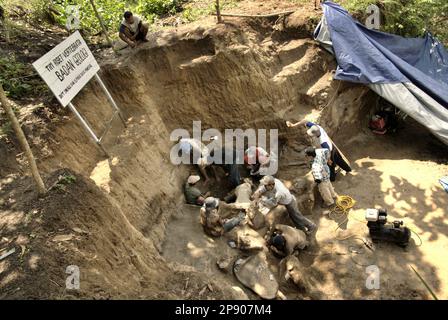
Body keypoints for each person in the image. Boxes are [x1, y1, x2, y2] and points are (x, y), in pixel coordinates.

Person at [286, 119, 351, 181]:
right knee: (339, 159)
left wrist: (329, 160)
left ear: (315, 135)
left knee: (330, 166)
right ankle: (347, 169)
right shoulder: (316, 127)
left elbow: (327, 151)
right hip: (331, 146)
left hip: (329, 151)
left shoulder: (323, 142)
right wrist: (293, 125)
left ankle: (332, 178)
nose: (310, 137)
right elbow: (304, 121)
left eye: (311, 136)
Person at [251, 176, 316, 234]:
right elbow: (264, 188)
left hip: (290, 202)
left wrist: (261, 200)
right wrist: (258, 192)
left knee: (297, 216)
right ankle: (301, 230)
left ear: (271, 185)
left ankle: (311, 226)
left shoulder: (279, 192)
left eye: (266, 185)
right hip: (286, 199)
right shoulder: (274, 180)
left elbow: (273, 204)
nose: (264, 186)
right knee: (293, 217)